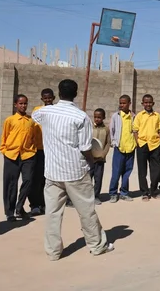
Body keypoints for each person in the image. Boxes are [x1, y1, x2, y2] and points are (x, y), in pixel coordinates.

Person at [32, 79, 113, 261]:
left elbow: (35, 116)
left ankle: (53, 252)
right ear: (75, 94)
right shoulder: (81, 117)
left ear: (58, 93)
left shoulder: (45, 112)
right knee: (86, 211)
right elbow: (85, 147)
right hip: (75, 172)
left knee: (52, 214)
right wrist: (93, 162)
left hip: (52, 173)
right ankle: (96, 245)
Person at [0, 94, 37, 221]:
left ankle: (19, 207)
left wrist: (33, 150)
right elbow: (4, 137)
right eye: (20, 103)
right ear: (15, 104)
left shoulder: (31, 121)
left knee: (28, 181)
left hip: (28, 155)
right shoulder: (10, 120)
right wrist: (4, 151)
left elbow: (33, 138)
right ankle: (10, 212)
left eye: (25, 103)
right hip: (11, 155)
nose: (23, 106)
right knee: (11, 184)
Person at [28, 88, 55, 216]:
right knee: (36, 179)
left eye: (50, 97)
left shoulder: (57, 111)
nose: (48, 100)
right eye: (45, 98)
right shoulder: (37, 111)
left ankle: (45, 204)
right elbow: (30, 128)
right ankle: (35, 205)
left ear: (54, 98)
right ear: (42, 99)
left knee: (48, 179)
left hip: (52, 151)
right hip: (38, 150)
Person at [133, 94, 160, 201]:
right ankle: (145, 192)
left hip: (155, 145)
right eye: (146, 102)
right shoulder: (139, 116)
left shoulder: (157, 116)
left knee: (156, 169)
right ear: (142, 104)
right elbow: (135, 130)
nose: (148, 104)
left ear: (153, 103)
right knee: (142, 170)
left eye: (150, 102)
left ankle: (154, 191)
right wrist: (138, 142)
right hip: (142, 145)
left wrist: (159, 140)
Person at [108, 95, 136, 203]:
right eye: (120, 103)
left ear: (129, 103)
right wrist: (114, 142)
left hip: (131, 148)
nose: (122, 105)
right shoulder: (116, 116)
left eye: (124, 103)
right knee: (116, 171)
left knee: (127, 172)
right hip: (119, 148)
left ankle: (124, 192)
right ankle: (113, 193)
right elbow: (112, 130)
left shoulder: (134, 116)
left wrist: (135, 144)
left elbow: (135, 130)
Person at [91, 108, 111, 205]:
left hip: (100, 159)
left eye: (99, 117)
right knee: (87, 178)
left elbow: (108, 143)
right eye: (95, 117)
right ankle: (87, 196)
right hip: (89, 159)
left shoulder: (106, 129)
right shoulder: (90, 128)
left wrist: (103, 154)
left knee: (98, 178)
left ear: (103, 118)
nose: (97, 119)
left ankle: (96, 196)